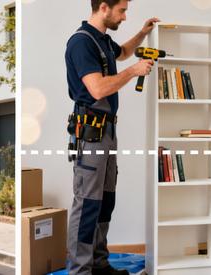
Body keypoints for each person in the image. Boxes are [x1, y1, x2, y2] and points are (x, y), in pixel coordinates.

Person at [64, 1, 157, 274]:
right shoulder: (82, 42)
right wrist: (132, 72)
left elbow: (124, 52)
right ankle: (80, 270)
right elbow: (97, 89)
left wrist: (142, 33)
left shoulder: (102, 40)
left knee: (105, 201)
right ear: (104, 7)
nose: (124, 16)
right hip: (91, 134)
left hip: (107, 132)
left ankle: (99, 264)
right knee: (87, 204)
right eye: (122, 10)